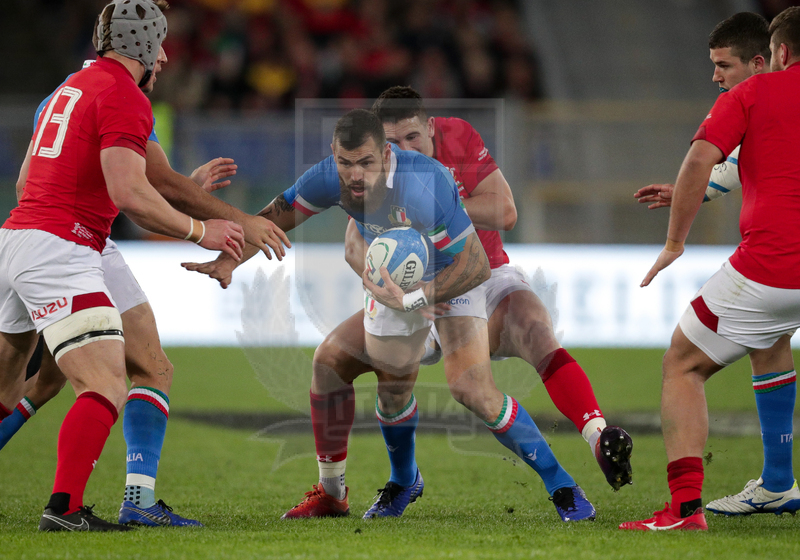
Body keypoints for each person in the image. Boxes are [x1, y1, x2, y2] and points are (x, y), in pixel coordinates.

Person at [186, 108, 598, 523]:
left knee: (472, 388)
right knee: (333, 366)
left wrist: (418, 298)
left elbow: (474, 264)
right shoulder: (330, 176)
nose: (356, 175)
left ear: (385, 154)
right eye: (346, 163)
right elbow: (275, 217)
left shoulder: (425, 181)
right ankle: (353, 491)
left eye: (366, 162)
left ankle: (562, 485)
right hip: (394, 283)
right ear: (333, 154)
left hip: (449, 278)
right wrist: (229, 261)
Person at [272, 87, 633, 521]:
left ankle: (570, 472)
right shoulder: (357, 173)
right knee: (339, 365)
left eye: (410, 139)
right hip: (405, 284)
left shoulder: (440, 163)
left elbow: (492, 233)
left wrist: (424, 258)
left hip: (469, 274)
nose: (399, 150)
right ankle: (371, 486)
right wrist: (226, 247)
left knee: (482, 378)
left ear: (430, 129)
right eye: (389, 144)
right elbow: (348, 242)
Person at [0, 13, 290, 528]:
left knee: (146, 367)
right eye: (158, 46)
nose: (164, 58)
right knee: (104, 383)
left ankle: (139, 500)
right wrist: (209, 230)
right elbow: (133, 193)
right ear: (141, 43)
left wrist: (181, 193)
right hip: (63, 246)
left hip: (29, 238)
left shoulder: (73, 88)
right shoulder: (124, 96)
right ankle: (64, 510)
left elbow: (42, 183)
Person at [619, 7, 800, 531]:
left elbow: (701, 158)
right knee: (769, 342)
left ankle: (683, 509)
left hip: (773, 267)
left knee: (682, 363)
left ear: (776, 55)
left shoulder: (752, 94)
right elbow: (751, 161)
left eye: (723, 64)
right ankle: (777, 483)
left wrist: (676, 240)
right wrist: (690, 194)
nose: (716, 76)